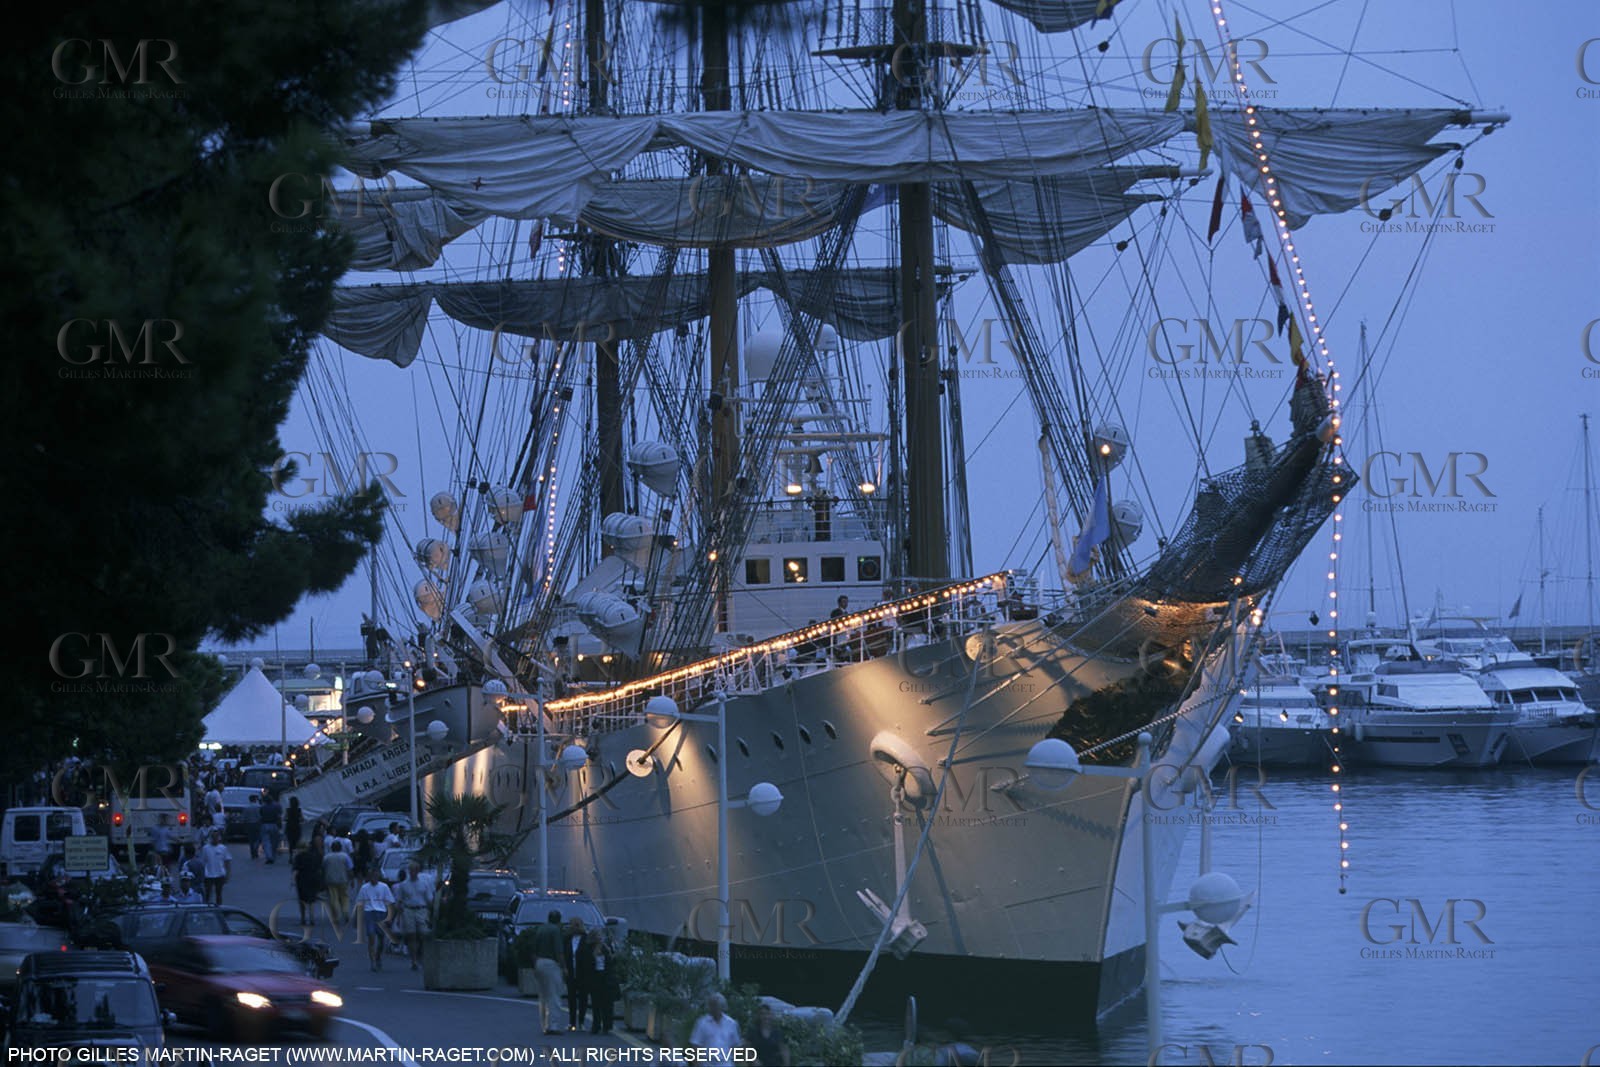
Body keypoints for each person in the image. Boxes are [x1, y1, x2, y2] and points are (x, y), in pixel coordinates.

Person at [393, 860, 434, 971]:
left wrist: (430, 912)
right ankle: (414, 960)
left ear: (418, 871)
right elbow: (399, 901)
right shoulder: (404, 885)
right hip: (409, 910)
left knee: (423, 933)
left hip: (422, 909)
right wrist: (398, 915)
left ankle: (422, 955)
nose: (412, 872)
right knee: (411, 935)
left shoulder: (424, 883)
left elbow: (429, 899)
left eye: (415, 870)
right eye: (411, 870)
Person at [353, 868, 396, 972]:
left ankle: (378, 956)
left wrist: (390, 917)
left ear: (378, 877)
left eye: (375, 876)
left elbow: (390, 903)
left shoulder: (384, 887)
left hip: (381, 913)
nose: (373, 879)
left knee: (381, 939)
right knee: (371, 937)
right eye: (371, 876)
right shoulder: (364, 888)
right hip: (370, 913)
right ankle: (372, 962)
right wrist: (355, 919)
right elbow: (359, 904)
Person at [532, 910, 567, 1036]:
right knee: (554, 995)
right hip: (551, 963)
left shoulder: (541, 929)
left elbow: (534, 950)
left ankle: (544, 1025)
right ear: (559, 920)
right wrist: (564, 967)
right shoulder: (555, 931)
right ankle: (554, 1025)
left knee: (543, 996)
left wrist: (535, 965)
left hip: (539, 962)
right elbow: (559, 952)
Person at [581, 930, 620, 1035]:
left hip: (603, 978)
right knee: (599, 1004)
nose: (600, 938)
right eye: (599, 936)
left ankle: (603, 1025)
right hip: (598, 978)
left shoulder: (605, 948)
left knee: (603, 1004)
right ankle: (600, 1025)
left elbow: (611, 961)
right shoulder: (591, 949)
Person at [689, 994, 741, 1059]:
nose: (713, 1008)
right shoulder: (701, 1023)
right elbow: (695, 1045)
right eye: (711, 1005)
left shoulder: (731, 1023)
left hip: (725, 1063)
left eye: (715, 1005)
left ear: (722, 1007)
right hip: (707, 1063)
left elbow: (736, 1045)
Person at [562, 917, 587, 1031]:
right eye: (573, 925)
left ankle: (581, 1021)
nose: (575, 927)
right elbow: (564, 954)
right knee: (571, 998)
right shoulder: (567, 939)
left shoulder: (586, 939)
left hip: (582, 973)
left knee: (583, 998)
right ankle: (572, 1023)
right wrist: (565, 968)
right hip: (571, 972)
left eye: (577, 925)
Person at [293, 838, 325, 925]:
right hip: (313, 879)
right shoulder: (314, 856)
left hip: (302, 880)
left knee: (302, 900)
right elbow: (319, 868)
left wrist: (293, 881)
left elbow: (296, 871)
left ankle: (303, 919)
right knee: (311, 900)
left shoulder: (298, 857)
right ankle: (312, 918)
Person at [322, 840, 354, 925]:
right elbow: (350, 869)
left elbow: (323, 869)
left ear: (332, 848)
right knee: (344, 897)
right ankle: (345, 913)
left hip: (330, 880)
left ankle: (336, 916)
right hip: (343, 880)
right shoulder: (345, 856)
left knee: (333, 898)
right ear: (340, 848)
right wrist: (352, 879)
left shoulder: (327, 857)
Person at [748, 1002, 791, 1067]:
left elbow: (784, 1050)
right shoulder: (753, 1032)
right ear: (759, 1016)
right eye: (762, 1014)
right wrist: (754, 1060)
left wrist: (786, 1064)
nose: (765, 1016)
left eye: (768, 1014)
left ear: (771, 1015)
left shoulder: (778, 1032)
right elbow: (746, 1049)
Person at [199, 830, 230, 905]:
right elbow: (202, 862)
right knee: (208, 894)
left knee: (219, 894)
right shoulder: (205, 848)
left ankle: (219, 908)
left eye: (216, 836)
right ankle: (206, 907)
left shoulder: (223, 848)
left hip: (220, 875)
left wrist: (227, 875)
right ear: (211, 838)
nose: (215, 838)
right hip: (208, 875)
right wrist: (202, 875)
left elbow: (227, 862)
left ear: (219, 838)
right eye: (213, 837)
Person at [258, 791, 282, 865]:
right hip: (274, 825)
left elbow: (260, 815)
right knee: (274, 842)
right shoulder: (277, 806)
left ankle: (269, 856)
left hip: (265, 825)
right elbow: (279, 816)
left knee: (266, 842)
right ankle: (273, 855)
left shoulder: (262, 807)